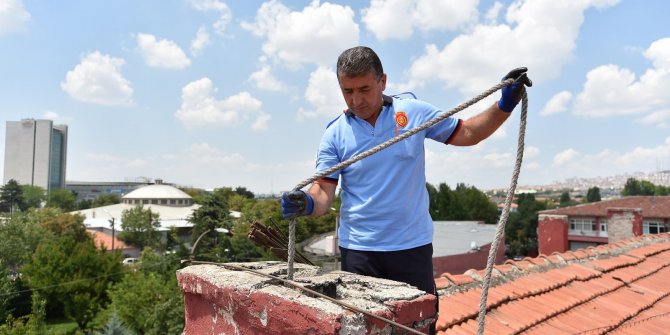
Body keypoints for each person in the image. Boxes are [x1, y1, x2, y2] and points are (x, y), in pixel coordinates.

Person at [281, 46, 531, 334]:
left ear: (382, 81)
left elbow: (468, 133)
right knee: (362, 329)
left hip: (411, 247)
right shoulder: (335, 133)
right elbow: (323, 193)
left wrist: (505, 105)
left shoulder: (412, 112)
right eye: (347, 91)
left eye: (364, 89)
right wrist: (306, 204)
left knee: (418, 327)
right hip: (360, 251)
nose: (356, 100)